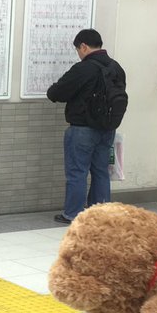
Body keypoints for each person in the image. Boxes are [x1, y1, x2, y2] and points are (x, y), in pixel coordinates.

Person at [46, 29, 127, 224]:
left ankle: (73, 214)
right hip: (107, 129)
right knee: (101, 171)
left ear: (83, 46)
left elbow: (56, 92)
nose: (79, 54)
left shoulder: (83, 69)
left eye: (78, 49)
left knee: (77, 172)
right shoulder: (116, 68)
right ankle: (100, 214)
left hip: (82, 129)